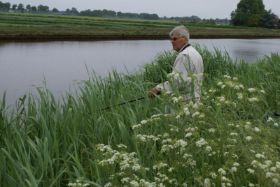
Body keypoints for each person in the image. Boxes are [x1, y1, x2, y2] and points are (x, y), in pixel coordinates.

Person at [148, 25, 204, 103]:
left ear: (184, 39)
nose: (172, 41)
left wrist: (157, 89)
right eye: (171, 39)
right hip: (195, 99)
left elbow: (178, 81)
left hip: (185, 102)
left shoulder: (184, 56)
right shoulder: (194, 52)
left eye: (175, 39)